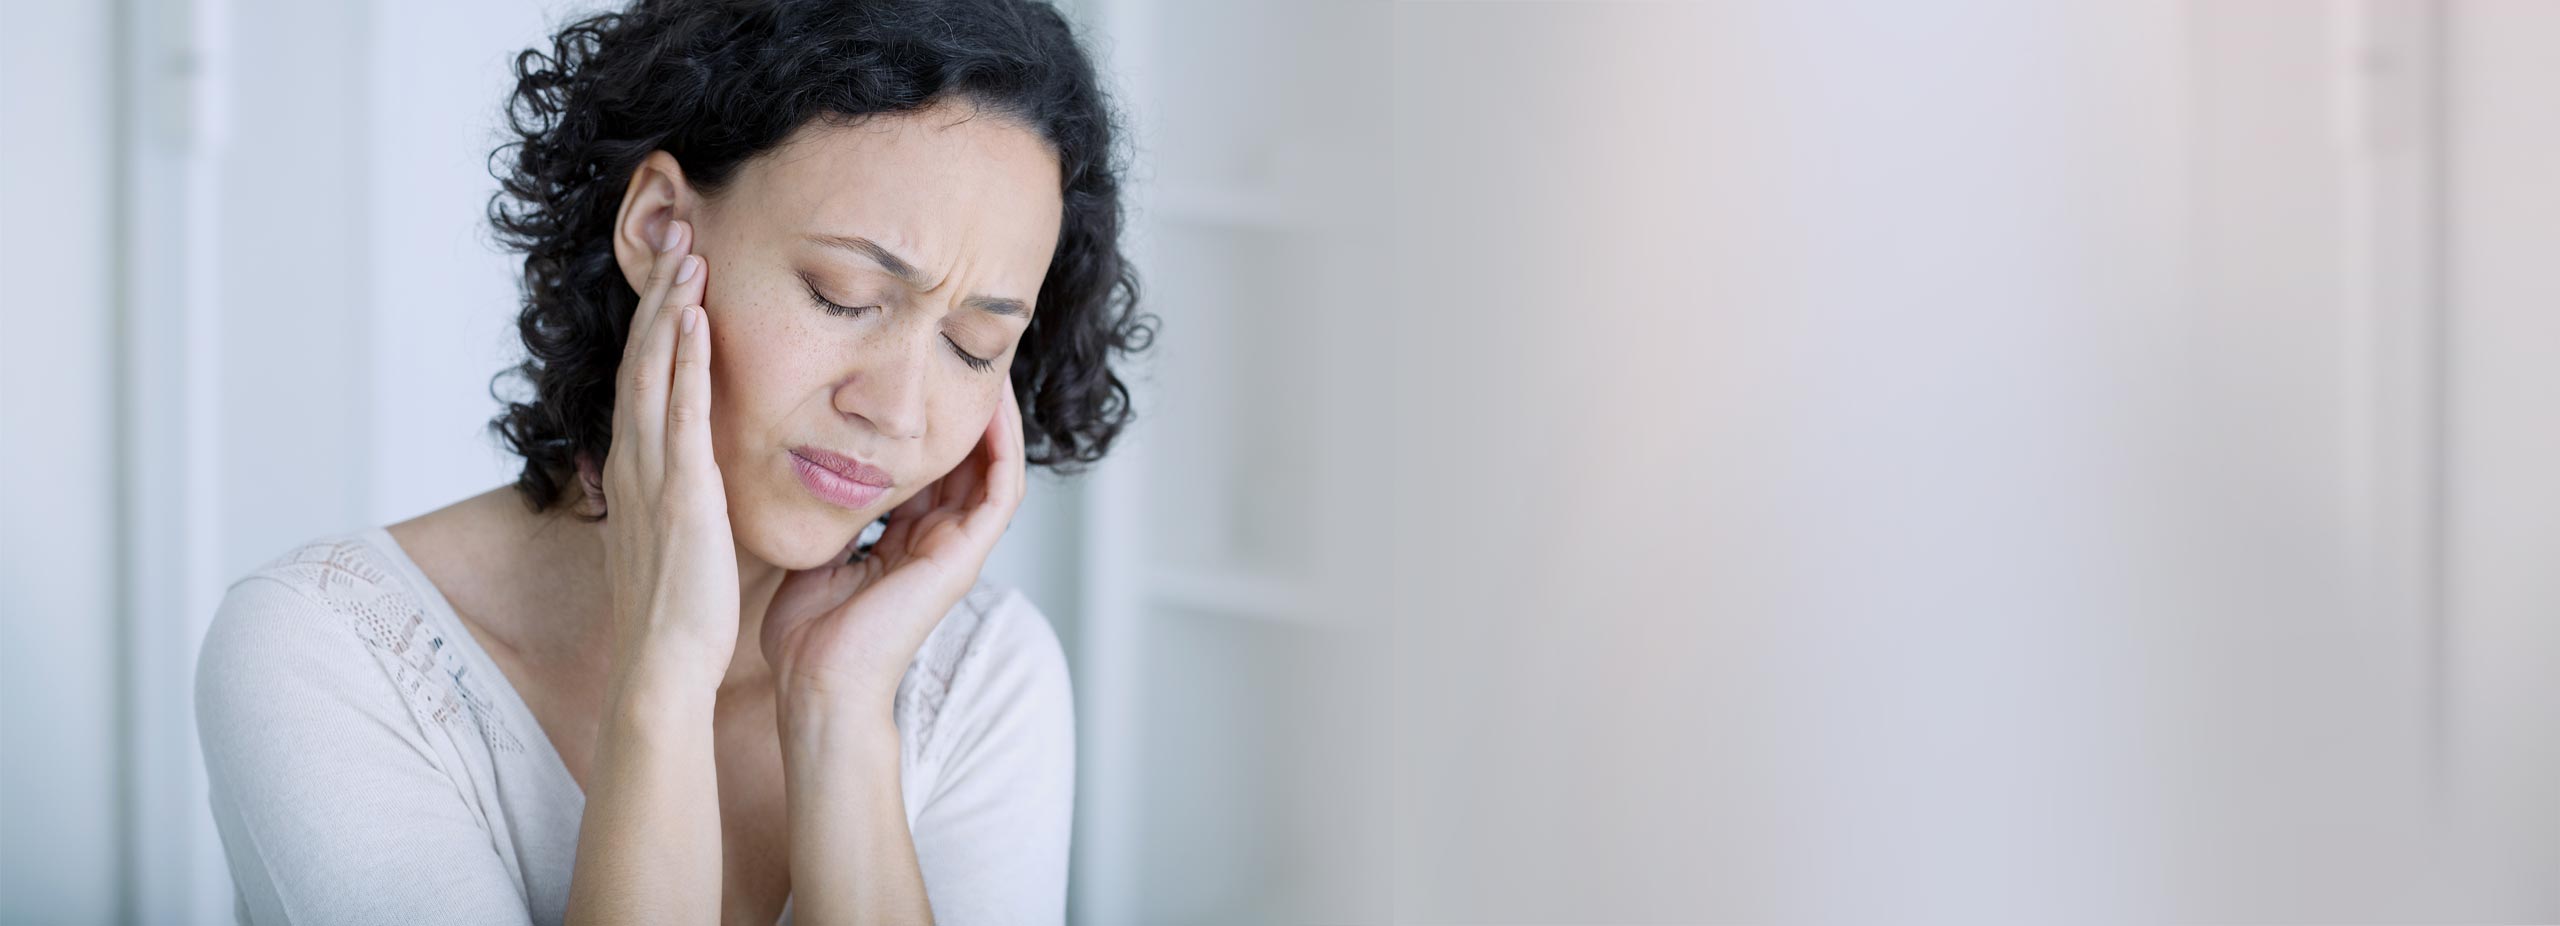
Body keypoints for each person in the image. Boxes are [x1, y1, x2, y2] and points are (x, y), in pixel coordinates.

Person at [189, 0, 1152, 922]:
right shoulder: (325, 651)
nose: (897, 411)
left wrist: (839, 714)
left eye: (976, 345)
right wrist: (665, 676)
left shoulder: (980, 675)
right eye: (843, 293)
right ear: (659, 229)